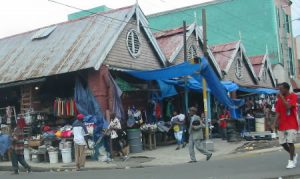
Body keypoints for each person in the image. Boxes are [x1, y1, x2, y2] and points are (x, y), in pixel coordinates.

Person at [275, 82, 299, 169]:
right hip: (282, 123)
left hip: (292, 123)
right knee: (282, 143)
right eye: (279, 89)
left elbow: (288, 107)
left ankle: (291, 161)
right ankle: (294, 155)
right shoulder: (279, 100)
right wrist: (274, 122)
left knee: (290, 142)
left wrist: (281, 97)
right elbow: (278, 112)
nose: (280, 91)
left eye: (281, 89)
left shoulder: (293, 96)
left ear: (286, 89)